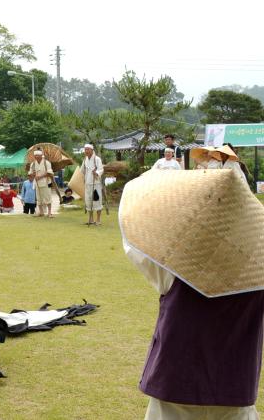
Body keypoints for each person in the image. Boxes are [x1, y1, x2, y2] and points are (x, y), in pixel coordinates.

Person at [119, 169, 264, 420]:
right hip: (234, 384)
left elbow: (135, 246)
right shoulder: (260, 276)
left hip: (175, 380)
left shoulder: (173, 270)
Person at [28, 150, 54, 218]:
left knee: (47, 197)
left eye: (38, 155)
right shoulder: (33, 164)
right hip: (37, 183)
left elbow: (49, 173)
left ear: (41, 156)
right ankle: (41, 212)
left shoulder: (46, 163)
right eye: (35, 155)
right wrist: (33, 175)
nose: (36, 157)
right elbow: (30, 173)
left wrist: (40, 177)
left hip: (46, 182)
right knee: (39, 198)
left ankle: (49, 213)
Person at [82, 143, 104, 226]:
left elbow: (101, 169)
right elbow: (82, 171)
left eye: (88, 149)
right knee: (88, 202)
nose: (86, 151)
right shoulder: (85, 160)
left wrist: (96, 172)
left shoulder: (97, 159)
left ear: (92, 150)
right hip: (88, 184)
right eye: (85, 149)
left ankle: (98, 219)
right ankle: (91, 219)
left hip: (96, 184)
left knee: (97, 201)